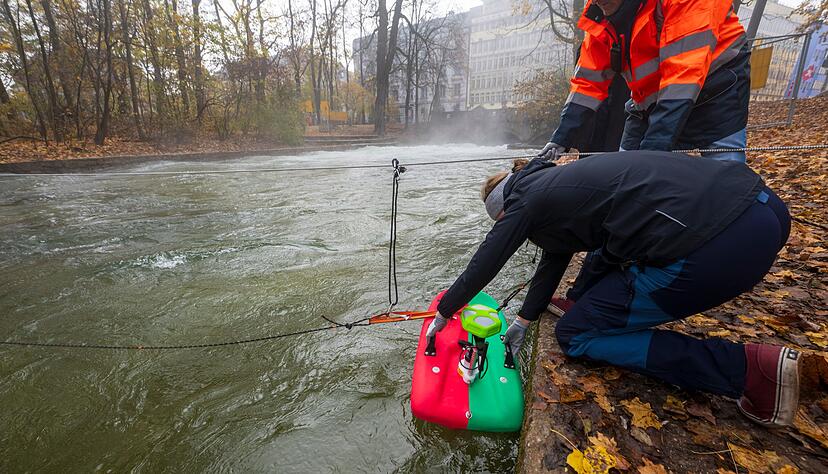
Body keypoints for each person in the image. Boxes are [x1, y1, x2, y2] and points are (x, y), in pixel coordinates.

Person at [427, 153, 799, 427]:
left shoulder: (525, 202)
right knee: (605, 272)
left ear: (503, 212)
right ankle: (581, 303)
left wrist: (446, 311)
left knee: (576, 334)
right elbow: (557, 251)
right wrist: (525, 318)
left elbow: (489, 258)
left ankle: (749, 371)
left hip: (718, 244)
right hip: (763, 209)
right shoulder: (556, 181)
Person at [539, 0, 750, 163]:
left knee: (726, 179)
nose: (596, 1)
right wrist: (561, 137)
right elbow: (588, 81)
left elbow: (682, 75)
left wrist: (653, 150)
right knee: (623, 173)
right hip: (648, 100)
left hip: (718, 91)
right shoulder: (600, 14)